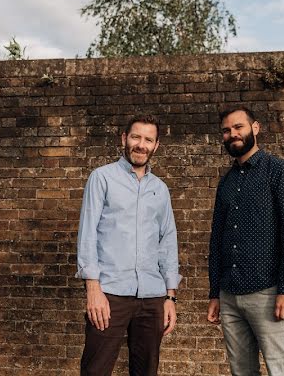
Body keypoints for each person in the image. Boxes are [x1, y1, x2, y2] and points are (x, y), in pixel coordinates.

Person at [76, 115, 182, 376]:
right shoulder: (102, 178)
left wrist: (170, 297)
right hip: (109, 293)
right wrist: (93, 290)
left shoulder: (160, 189)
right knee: (95, 370)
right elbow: (87, 234)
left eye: (148, 140)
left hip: (152, 296)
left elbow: (167, 241)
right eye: (136, 137)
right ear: (124, 139)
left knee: (146, 371)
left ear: (156, 146)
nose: (141, 145)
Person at [207, 106, 284, 376]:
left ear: (255, 128)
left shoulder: (278, 171)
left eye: (238, 127)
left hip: (268, 292)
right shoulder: (226, 182)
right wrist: (215, 293)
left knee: (282, 370)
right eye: (226, 130)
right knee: (241, 372)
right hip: (229, 295)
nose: (232, 134)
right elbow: (217, 240)